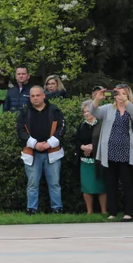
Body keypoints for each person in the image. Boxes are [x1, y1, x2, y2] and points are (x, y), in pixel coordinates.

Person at [88, 84, 133, 221]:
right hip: (110, 151)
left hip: (126, 152)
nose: (119, 96)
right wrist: (97, 99)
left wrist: (125, 101)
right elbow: (93, 112)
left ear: (128, 95)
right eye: (118, 94)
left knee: (127, 183)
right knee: (111, 183)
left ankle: (128, 212)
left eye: (123, 93)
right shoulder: (108, 109)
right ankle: (112, 212)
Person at [19, 86, 66, 214]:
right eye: (32, 96)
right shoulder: (24, 112)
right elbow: (21, 131)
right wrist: (35, 144)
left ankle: (57, 208)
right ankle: (31, 209)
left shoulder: (54, 110)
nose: (35, 98)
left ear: (44, 95)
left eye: (37, 95)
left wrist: (49, 143)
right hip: (32, 153)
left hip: (52, 152)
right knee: (32, 184)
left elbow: (61, 128)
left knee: (54, 183)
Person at [77, 100, 106, 215]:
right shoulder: (82, 126)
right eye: (84, 112)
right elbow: (77, 141)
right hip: (85, 161)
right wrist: (83, 147)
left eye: (88, 111)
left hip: (99, 160)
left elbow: (104, 140)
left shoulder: (101, 124)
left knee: (101, 186)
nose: (86, 114)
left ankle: (104, 211)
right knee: (87, 187)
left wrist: (94, 147)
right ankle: (89, 212)